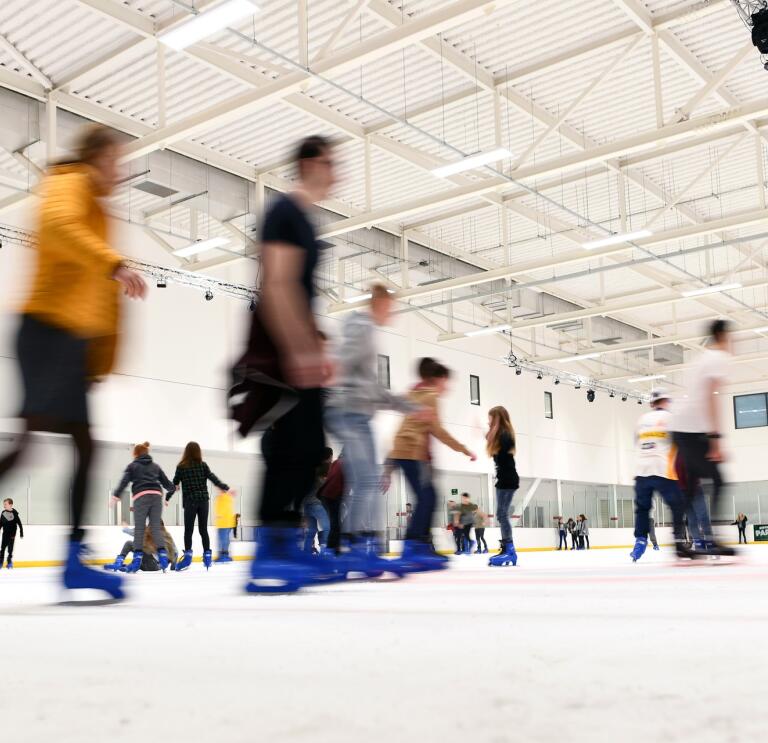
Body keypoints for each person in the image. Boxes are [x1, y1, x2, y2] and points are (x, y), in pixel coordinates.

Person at [0, 125, 146, 599]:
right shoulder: (70, 182)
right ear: (96, 156)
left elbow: (99, 301)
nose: (119, 171)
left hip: (65, 341)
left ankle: (73, 560)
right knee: (45, 446)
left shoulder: (99, 208)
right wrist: (115, 263)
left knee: (79, 446)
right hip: (46, 331)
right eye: (115, 160)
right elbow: (60, 229)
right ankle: (73, 560)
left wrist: (98, 360)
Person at [234, 136, 340, 594]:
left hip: (298, 342)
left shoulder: (304, 220)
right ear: (311, 164)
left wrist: (316, 342)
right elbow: (276, 285)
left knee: (305, 445)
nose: (337, 173)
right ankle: (271, 550)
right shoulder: (285, 213)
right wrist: (300, 348)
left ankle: (280, 544)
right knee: (292, 446)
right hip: (283, 345)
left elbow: (300, 290)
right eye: (331, 164)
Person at [325, 283, 419, 577]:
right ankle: (357, 549)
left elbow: (375, 390)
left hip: (357, 414)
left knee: (367, 481)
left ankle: (356, 548)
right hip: (347, 412)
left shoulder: (367, 331)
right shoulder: (363, 329)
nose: (391, 314)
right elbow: (341, 361)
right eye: (389, 307)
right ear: (378, 303)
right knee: (367, 480)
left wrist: (409, 407)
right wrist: (328, 388)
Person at [386, 358, 476, 572]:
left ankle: (421, 545)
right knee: (428, 498)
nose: (447, 387)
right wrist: (464, 449)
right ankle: (412, 547)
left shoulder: (414, 393)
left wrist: (390, 462)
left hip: (404, 452)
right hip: (412, 453)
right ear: (438, 379)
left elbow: (403, 428)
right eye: (446, 382)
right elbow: (438, 431)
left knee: (427, 498)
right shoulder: (431, 396)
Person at [672, 319, 735, 557]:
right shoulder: (718, 358)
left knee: (690, 489)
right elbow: (711, 396)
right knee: (719, 480)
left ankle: (678, 542)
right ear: (722, 335)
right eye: (730, 337)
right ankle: (713, 538)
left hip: (680, 427)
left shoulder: (701, 358)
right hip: (692, 429)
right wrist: (716, 439)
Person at [630, 389, 689, 562]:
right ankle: (678, 541)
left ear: (651, 404)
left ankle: (640, 540)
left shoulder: (641, 420)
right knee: (678, 505)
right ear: (666, 402)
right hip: (663, 469)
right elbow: (680, 443)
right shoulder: (671, 418)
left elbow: (636, 442)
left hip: (641, 470)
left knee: (642, 508)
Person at [112, 442, 175, 573]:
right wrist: (173, 488)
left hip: (141, 496)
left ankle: (136, 561)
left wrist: (116, 495)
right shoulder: (156, 466)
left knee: (140, 530)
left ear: (135, 454)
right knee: (155, 530)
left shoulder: (132, 466)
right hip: (157, 496)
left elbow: (124, 482)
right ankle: (162, 556)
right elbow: (167, 483)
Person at [170, 442, 230, 571]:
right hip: (203, 501)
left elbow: (174, 484)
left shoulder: (181, 467)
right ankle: (207, 557)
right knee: (203, 530)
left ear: (186, 452)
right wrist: (225, 487)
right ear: (198, 452)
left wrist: (167, 498)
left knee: (188, 531)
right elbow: (213, 478)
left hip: (190, 501)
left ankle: (187, 558)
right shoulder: (203, 465)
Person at [487, 406, 520, 567]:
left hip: (509, 479)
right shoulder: (498, 435)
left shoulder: (506, 435)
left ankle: (510, 548)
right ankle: (507, 547)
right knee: (500, 514)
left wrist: (494, 429)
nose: (489, 422)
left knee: (502, 514)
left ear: (498, 418)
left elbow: (500, 445)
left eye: (491, 418)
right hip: (502, 480)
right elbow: (488, 439)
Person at [104, 521, 179, 573]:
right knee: (133, 545)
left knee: (135, 545)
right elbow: (175, 552)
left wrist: (125, 529)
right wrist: (173, 566)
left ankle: (120, 563)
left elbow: (174, 552)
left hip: (154, 565)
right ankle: (124, 565)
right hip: (147, 565)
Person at [303, 452, 332, 555]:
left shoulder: (310, 469)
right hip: (315, 504)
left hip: (307, 505)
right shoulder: (321, 469)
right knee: (327, 526)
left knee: (312, 530)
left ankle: (306, 552)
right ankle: (325, 549)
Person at [317, 454, 344, 553]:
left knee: (335, 523)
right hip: (332, 496)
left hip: (326, 495)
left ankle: (333, 548)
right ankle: (331, 549)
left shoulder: (336, 462)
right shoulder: (345, 464)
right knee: (335, 524)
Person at [214, 488, 237, 563]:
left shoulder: (224, 497)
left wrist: (220, 514)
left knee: (223, 540)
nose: (218, 490)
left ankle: (224, 556)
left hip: (225, 523)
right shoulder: (224, 497)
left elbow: (223, 508)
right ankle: (223, 555)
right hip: (224, 523)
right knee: (223, 540)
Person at [0, 498, 24, 569]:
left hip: (12, 535)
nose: (4, 506)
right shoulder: (3, 512)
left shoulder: (15, 514)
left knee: (10, 549)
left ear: (10, 505)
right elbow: (0, 523)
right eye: (4, 504)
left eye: (5, 504)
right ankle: (1, 562)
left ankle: (9, 561)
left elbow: (19, 523)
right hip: (5, 534)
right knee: (2, 548)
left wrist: (21, 532)